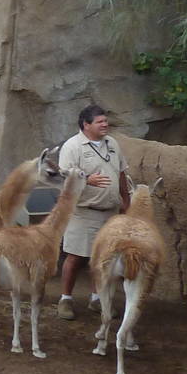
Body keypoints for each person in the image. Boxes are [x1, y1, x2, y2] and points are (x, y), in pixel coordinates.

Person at [55, 104, 131, 319]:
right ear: (86, 125)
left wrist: (126, 201)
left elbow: (121, 173)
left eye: (105, 121)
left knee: (105, 258)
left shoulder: (112, 143)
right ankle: (65, 299)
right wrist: (87, 179)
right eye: (100, 122)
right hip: (84, 211)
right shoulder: (72, 147)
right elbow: (65, 178)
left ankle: (97, 299)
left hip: (111, 212)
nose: (105, 124)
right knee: (75, 256)